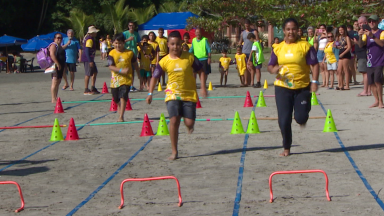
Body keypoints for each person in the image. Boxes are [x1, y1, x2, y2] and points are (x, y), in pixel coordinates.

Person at [146, 31, 207, 160]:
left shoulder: (189, 57)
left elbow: (201, 71)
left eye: (178, 44)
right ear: (168, 44)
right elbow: (154, 77)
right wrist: (150, 93)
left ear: (181, 44)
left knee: (189, 123)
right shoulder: (164, 61)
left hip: (189, 95)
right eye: (172, 44)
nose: (175, 47)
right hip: (172, 94)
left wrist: (202, 87)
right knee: (174, 120)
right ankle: (174, 151)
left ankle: (189, 125)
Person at [268, 18, 319, 156]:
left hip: (302, 87)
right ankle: (286, 147)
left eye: (293, 29)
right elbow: (270, 66)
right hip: (282, 87)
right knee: (284, 120)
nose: (291, 32)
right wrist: (273, 70)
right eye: (288, 29)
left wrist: (314, 82)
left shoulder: (305, 46)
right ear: (284, 31)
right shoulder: (277, 48)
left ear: (297, 30)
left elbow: (315, 65)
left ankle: (303, 111)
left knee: (300, 118)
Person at [108, 33, 139, 122]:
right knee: (115, 97)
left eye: (120, 43)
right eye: (116, 43)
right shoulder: (111, 53)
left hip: (127, 79)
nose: (118, 45)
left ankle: (121, 116)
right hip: (115, 80)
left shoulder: (129, 53)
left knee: (123, 96)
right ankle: (119, 106)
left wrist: (139, 76)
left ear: (124, 43)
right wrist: (121, 70)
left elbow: (135, 65)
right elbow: (110, 66)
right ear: (113, 43)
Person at [359, 15, 384, 108]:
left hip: (379, 60)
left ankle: (381, 101)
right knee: (371, 82)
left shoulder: (381, 33)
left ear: (377, 22)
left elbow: (382, 44)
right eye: (370, 21)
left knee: (378, 81)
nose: (371, 23)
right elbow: (361, 45)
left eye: (373, 21)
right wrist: (360, 36)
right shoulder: (367, 34)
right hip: (370, 61)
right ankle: (376, 100)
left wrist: (372, 36)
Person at [238, 19, 260, 87]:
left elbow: (258, 40)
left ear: (250, 25)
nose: (247, 27)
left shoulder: (254, 32)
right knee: (245, 68)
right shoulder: (243, 33)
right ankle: (246, 82)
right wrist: (238, 48)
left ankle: (252, 82)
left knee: (252, 67)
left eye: (248, 26)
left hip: (252, 51)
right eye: (245, 26)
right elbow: (240, 41)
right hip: (244, 51)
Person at [81, 26, 100, 95]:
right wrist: (90, 61)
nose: (96, 33)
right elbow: (86, 51)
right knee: (88, 73)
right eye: (95, 32)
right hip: (88, 59)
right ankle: (86, 89)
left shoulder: (91, 39)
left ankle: (93, 86)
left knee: (95, 72)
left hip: (91, 58)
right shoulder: (89, 40)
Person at [356, 16, 371, 96]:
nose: (360, 25)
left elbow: (362, 44)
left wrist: (360, 36)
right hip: (364, 54)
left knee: (365, 73)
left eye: (361, 23)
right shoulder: (366, 31)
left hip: (364, 54)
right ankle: (368, 90)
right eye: (359, 23)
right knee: (366, 73)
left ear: (366, 22)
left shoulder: (366, 31)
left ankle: (366, 90)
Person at [123, 22, 141, 92]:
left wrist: (143, 51)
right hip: (126, 53)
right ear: (128, 26)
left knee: (132, 70)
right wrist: (128, 39)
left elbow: (139, 43)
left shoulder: (136, 34)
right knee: (126, 70)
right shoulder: (125, 33)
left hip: (134, 54)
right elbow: (120, 42)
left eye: (132, 26)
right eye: (130, 25)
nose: (131, 27)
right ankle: (125, 84)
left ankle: (131, 85)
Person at [49, 33, 66, 103]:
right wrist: (57, 63)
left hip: (60, 66)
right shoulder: (53, 45)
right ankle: (53, 98)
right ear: (54, 39)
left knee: (58, 82)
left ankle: (56, 97)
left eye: (61, 38)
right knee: (55, 82)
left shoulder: (59, 46)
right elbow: (52, 55)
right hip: (55, 66)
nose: (59, 39)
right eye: (58, 38)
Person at [335, 25, 352, 90]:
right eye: (339, 30)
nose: (341, 31)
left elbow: (349, 47)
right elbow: (336, 45)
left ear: (344, 30)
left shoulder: (347, 37)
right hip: (340, 53)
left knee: (345, 69)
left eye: (342, 30)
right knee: (339, 70)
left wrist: (343, 53)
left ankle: (347, 85)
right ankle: (341, 84)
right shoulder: (338, 37)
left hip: (346, 54)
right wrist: (337, 46)